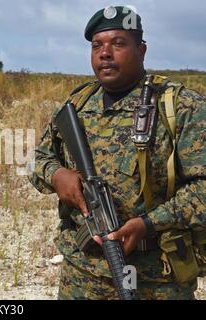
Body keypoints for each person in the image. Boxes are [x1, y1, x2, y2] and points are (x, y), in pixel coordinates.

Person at [28, 6, 205, 300]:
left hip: (157, 277)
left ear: (142, 50)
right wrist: (56, 175)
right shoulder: (77, 105)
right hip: (81, 274)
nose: (105, 53)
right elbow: (40, 159)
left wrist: (148, 224)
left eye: (118, 43)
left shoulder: (183, 107)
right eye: (97, 46)